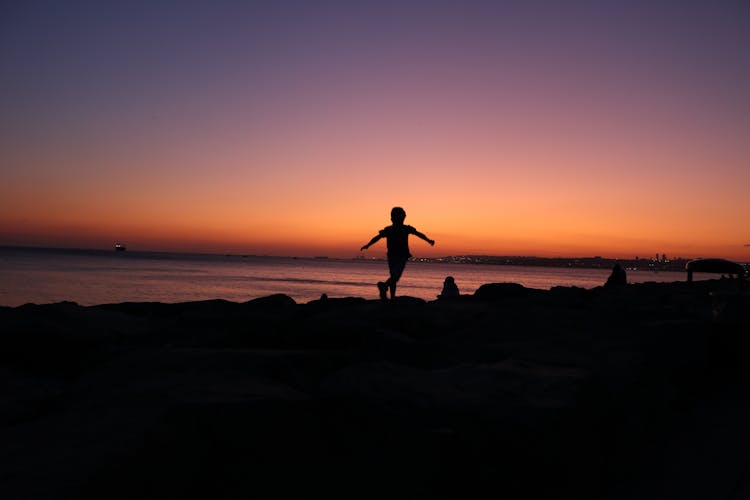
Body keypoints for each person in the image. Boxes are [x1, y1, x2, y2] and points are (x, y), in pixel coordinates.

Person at [360, 206, 435, 299]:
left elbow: (377, 237)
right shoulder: (402, 229)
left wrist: (368, 245)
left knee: (394, 276)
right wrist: (428, 240)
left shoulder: (391, 229)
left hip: (393, 255)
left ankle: (392, 296)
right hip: (400, 255)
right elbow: (419, 234)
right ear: (402, 217)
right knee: (395, 276)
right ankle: (385, 286)